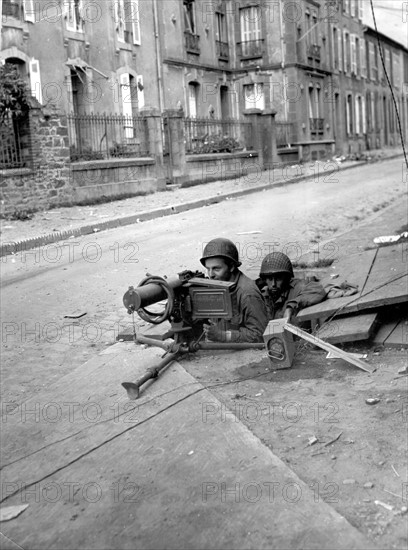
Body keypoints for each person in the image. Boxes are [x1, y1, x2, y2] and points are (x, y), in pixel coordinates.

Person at [200, 238, 268, 343]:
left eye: (216, 269)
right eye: (208, 269)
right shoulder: (219, 284)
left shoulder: (248, 294)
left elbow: (260, 334)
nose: (211, 275)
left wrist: (223, 336)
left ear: (231, 266)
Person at [258, 252, 327, 323]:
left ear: (286, 278)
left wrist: (291, 307)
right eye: (270, 279)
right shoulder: (261, 296)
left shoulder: (297, 287)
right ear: (265, 280)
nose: (273, 284)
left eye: (278, 279)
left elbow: (318, 290)